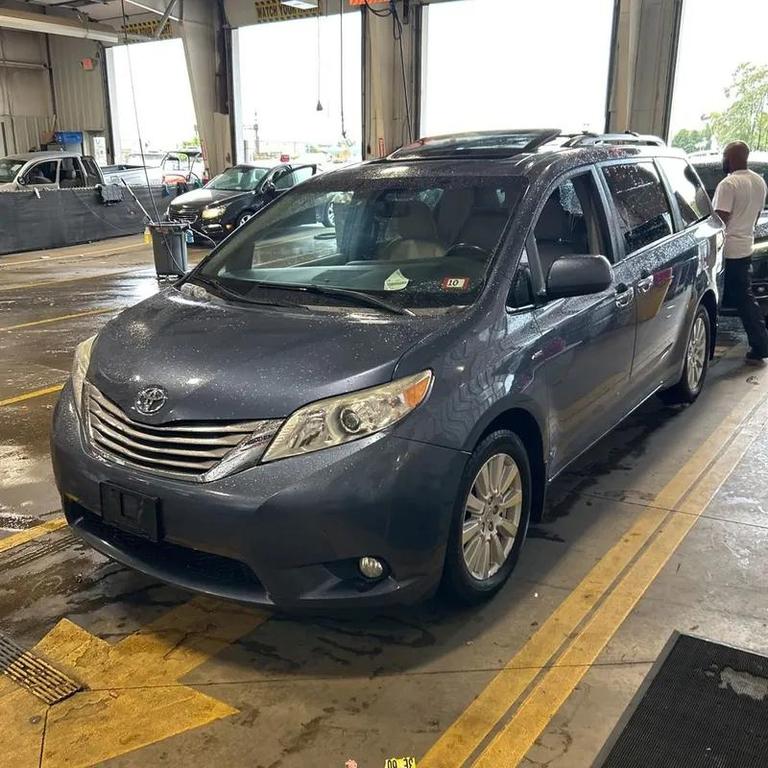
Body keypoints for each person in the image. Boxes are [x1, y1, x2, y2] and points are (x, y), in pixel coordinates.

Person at [713, 141, 768, 365]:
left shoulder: (729, 184)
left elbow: (719, 220)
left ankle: (761, 344)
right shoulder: (758, 181)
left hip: (727, 251)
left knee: (733, 300)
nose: (723, 160)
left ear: (732, 158)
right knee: (745, 299)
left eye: (725, 156)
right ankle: (760, 344)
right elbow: (755, 218)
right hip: (745, 246)